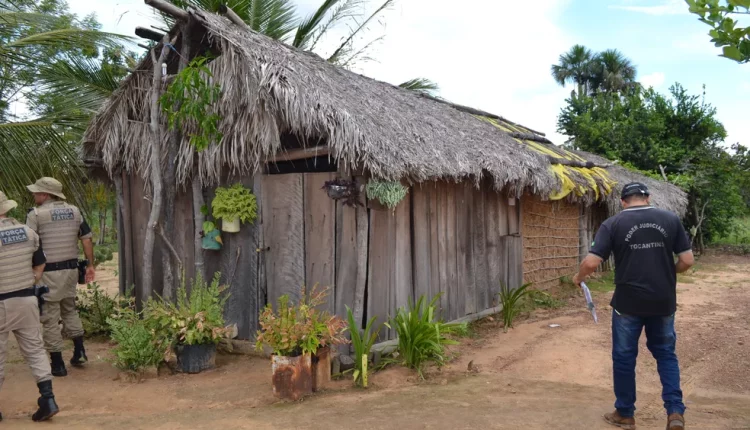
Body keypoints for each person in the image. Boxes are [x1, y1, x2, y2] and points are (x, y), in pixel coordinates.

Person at [573, 182, 694, 430]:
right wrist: (669, 273)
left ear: (623, 201)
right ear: (647, 198)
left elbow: (592, 262)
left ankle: (625, 414)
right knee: (665, 354)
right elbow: (687, 260)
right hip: (663, 301)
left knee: (624, 357)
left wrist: (579, 278)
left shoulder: (613, 224)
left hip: (628, 303)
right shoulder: (670, 219)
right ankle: (674, 412)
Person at [25, 177, 95, 377]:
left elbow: (30, 245)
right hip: (72, 270)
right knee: (70, 310)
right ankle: (79, 351)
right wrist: (90, 264)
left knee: (50, 318)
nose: (34, 195)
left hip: (47, 273)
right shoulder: (74, 211)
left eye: (37, 192)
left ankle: (57, 364)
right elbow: (86, 238)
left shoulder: (36, 214)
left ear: (46, 194)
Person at [0, 191, 60, 421]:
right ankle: (49, 398)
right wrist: (28, 282)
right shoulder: (28, 232)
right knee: (35, 350)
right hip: (27, 300)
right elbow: (40, 264)